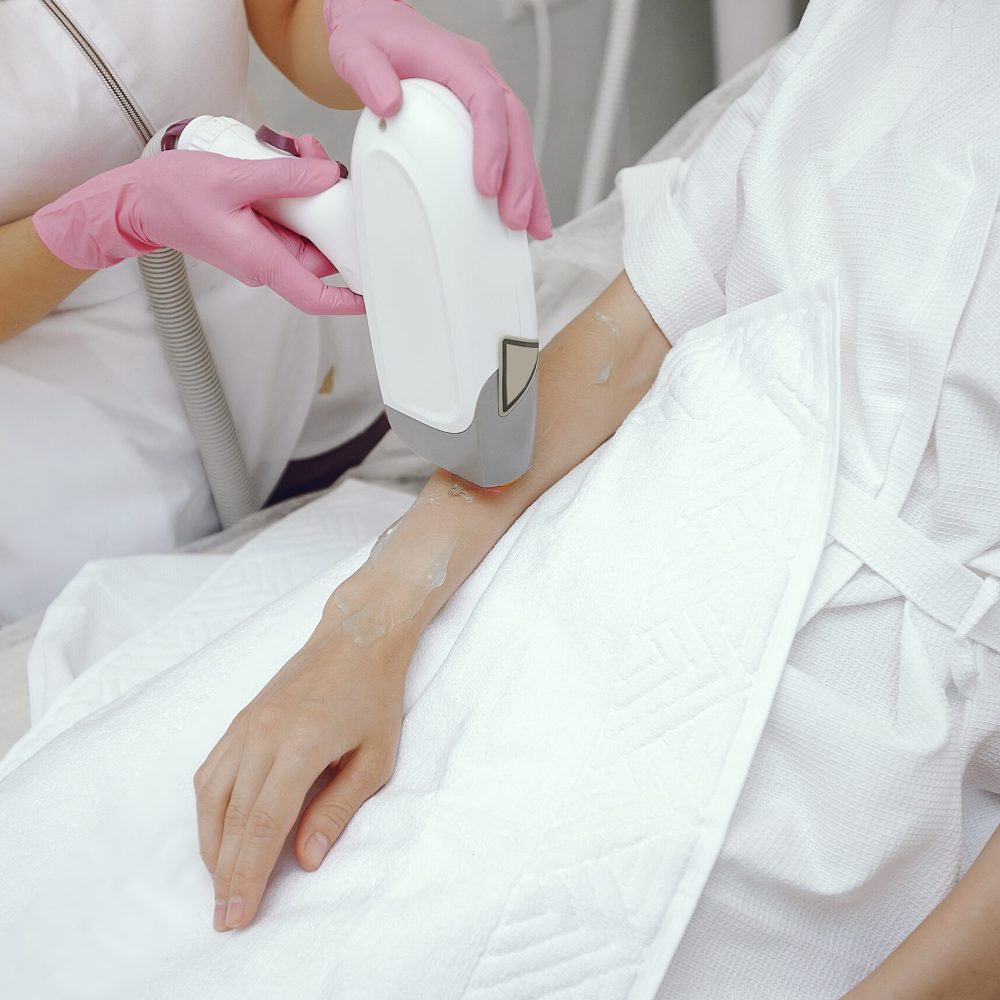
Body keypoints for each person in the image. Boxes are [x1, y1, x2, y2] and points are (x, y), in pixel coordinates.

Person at [188, 0, 1000, 994]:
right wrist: (364, 626)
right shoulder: (885, 26)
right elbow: (624, 333)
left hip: (840, 750)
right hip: (594, 553)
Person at [0, 0, 550, 624]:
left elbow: (285, 15)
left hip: (308, 369)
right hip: (103, 493)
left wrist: (361, 31)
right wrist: (104, 220)